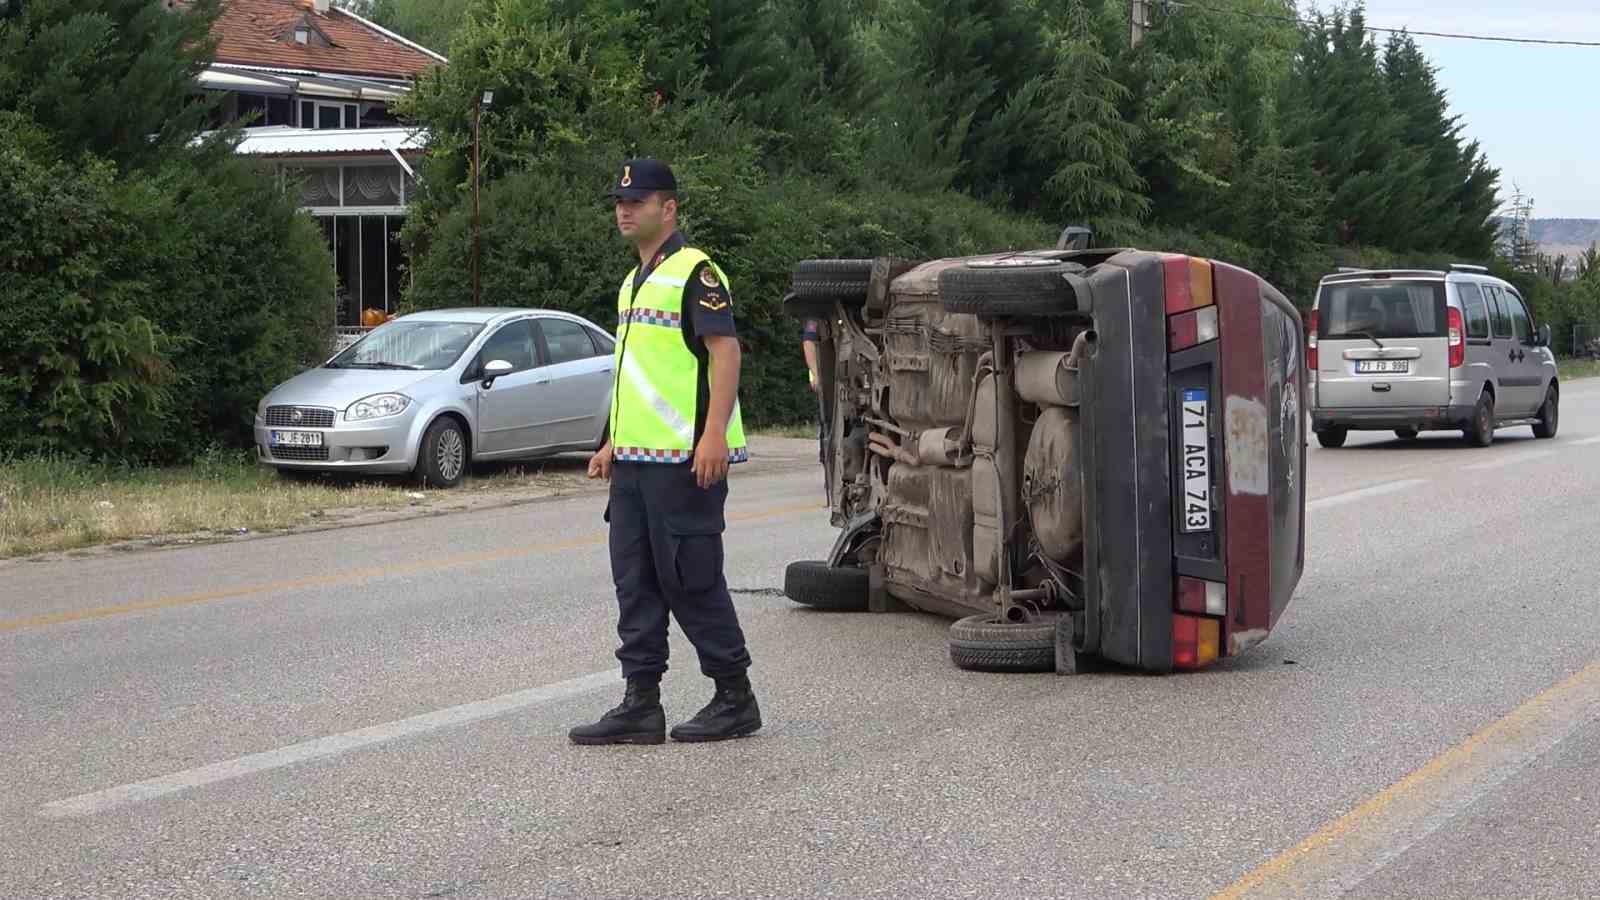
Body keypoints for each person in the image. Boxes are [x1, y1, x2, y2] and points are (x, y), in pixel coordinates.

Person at [568, 157, 762, 746]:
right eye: (620, 202)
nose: (624, 210)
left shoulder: (696, 273)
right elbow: (639, 373)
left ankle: (734, 697)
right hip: (634, 464)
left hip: (685, 462)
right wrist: (610, 441)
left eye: (638, 201)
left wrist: (713, 434)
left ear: (668, 208)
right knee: (636, 583)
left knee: (691, 581)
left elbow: (724, 354)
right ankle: (640, 703)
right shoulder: (634, 280)